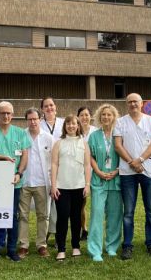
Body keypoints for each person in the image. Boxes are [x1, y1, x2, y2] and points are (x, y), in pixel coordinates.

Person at [0, 101, 31, 262]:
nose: (6, 116)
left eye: (9, 113)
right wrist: (1, 157)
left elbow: (24, 155)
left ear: (12, 115)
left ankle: (11, 250)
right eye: (3, 113)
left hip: (14, 182)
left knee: (13, 217)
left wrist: (19, 173)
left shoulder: (20, 133)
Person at [114, 93, 151, 259]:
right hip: (128, 172)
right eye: (130, 102)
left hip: (148, 171)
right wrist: (132, 162)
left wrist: (140, 160)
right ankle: (127, 245)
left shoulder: (150, 121)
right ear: (126, 104)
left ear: (142, 103)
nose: (133, 104)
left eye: (136, 101)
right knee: (128, 211)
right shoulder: (120, 122)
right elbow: (118, 145)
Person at [51, 115, 92, 261]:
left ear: (78, 126)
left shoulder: (84, 143)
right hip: (62, 187)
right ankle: (61, 249)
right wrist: (53, 185)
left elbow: (87, 165)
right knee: (62, 217)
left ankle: (76, 246)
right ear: (65, 126)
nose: (71, 126)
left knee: (76, 218)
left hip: (79, 186)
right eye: (68, 123)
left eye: (74, 123)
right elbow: (54, 165)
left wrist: (87, 184)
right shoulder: (58, 143)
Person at [87, 104, 123, 261]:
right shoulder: (94, 136)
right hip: (99, 180)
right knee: (97, 214)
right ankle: (95, 250)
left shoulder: (119, 134)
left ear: (114, 117)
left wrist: (117, 170)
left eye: (109, 115)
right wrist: (99, 172)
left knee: (115, 215)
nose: (106, 117)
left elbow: (125, 153)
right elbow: (90, 157)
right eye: (103, 115)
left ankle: (112, 246)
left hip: (116, 179)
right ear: (99, 117)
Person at [18, 108, 53, 258]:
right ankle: (23, 245)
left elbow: (53, 162)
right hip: (24, 182)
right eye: (30, 119)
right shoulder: (20, 136)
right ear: (26, 120)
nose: (32, 122)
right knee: (23, 215)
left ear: (40, 119)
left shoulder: (49, 138)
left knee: (43, 215)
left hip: (42, 182)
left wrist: (53, 182)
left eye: (35, 119)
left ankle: (41, 245)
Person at [40, 97, 64, 242]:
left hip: (62, 167)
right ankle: (47, 232)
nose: (49, 108)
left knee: (59, 202)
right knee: (46, 204)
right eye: (46, 106)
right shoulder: (39, 124)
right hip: (44, 168)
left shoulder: (63, 123)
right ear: (42, 109)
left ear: (55, 107)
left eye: (51, 105)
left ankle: (57, 233)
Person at [77, 106, 97, 240]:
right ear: (78, 117)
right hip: (79, 173)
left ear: (91, 117)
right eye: (82, 115)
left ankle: (95, 231)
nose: (84, 117)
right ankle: (83, 229)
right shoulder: (75, 132)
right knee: (81, 204)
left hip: (95, 171)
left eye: (87, 115)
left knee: (96, 204)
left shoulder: (96, 132)